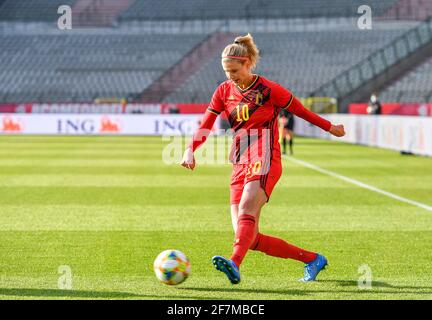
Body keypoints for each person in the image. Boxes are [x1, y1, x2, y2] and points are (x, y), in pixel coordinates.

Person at [180, 33, 345, 284]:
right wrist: (190, 148)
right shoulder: (223, 91)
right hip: (239, 157)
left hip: (265, 155)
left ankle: (234, 263)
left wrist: (329, 126)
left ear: (248, 63)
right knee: (248, 236)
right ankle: (312, 259)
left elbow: (300, 110)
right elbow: (206, 125)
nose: (230, 75)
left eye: (234, 70)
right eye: (226, 71)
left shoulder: (269, 90)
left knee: (246, 210)